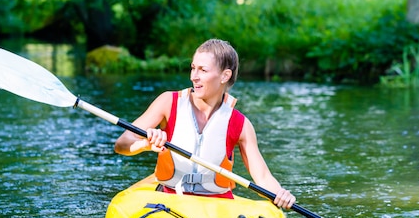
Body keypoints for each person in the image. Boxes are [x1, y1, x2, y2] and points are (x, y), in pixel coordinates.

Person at [114, 38, 296, 209]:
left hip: (217, 207)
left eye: (203, 70)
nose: (194, 76)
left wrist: (280, 194)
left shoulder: (240, 124)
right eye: (193, 68)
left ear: (225, 75)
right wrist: (145, 144)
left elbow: (262, 177)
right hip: (170, 199)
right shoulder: (169, 103)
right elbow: (122, 144)